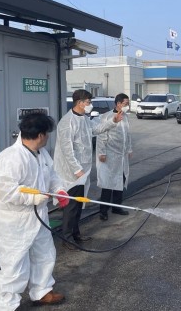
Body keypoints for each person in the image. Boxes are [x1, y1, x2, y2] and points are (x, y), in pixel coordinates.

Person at [0, 112, 70, 310]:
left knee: (44, 254)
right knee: (14, 264)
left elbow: (51, 175)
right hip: (15, 220)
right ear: (41, 135)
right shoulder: (10, 158)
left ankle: (42, 291)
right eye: (48, 133)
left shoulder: (41, 154)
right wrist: (33, 198)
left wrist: (59, 190)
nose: (48, 137)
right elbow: (7, 192)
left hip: (39, 216)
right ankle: (7, 305)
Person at [53, 89, 123, 249]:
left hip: (82, 171)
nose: (90, 105)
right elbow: (67, 149)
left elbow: (96, 129)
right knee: (71, 206)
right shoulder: (67, 122)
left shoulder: (83, 119)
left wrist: (113, 121)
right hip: (71, 173)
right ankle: (67, 239)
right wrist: (77, 170)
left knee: (79, 204)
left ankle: (76, 234)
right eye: (88, 102)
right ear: (80, 103)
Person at [96, 93, 133, 221]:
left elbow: (127, 135)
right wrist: (102, 152)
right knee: (108, 182)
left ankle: (116, 207)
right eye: (125, 103)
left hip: (121, 156)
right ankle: (103, 210)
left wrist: (129, 148)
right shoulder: (107, 116)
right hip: (110, 155)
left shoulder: (126, 117)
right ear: (118, 104)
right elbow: (101, 135)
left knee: (120, 180)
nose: (127, 106)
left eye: (127, 104)